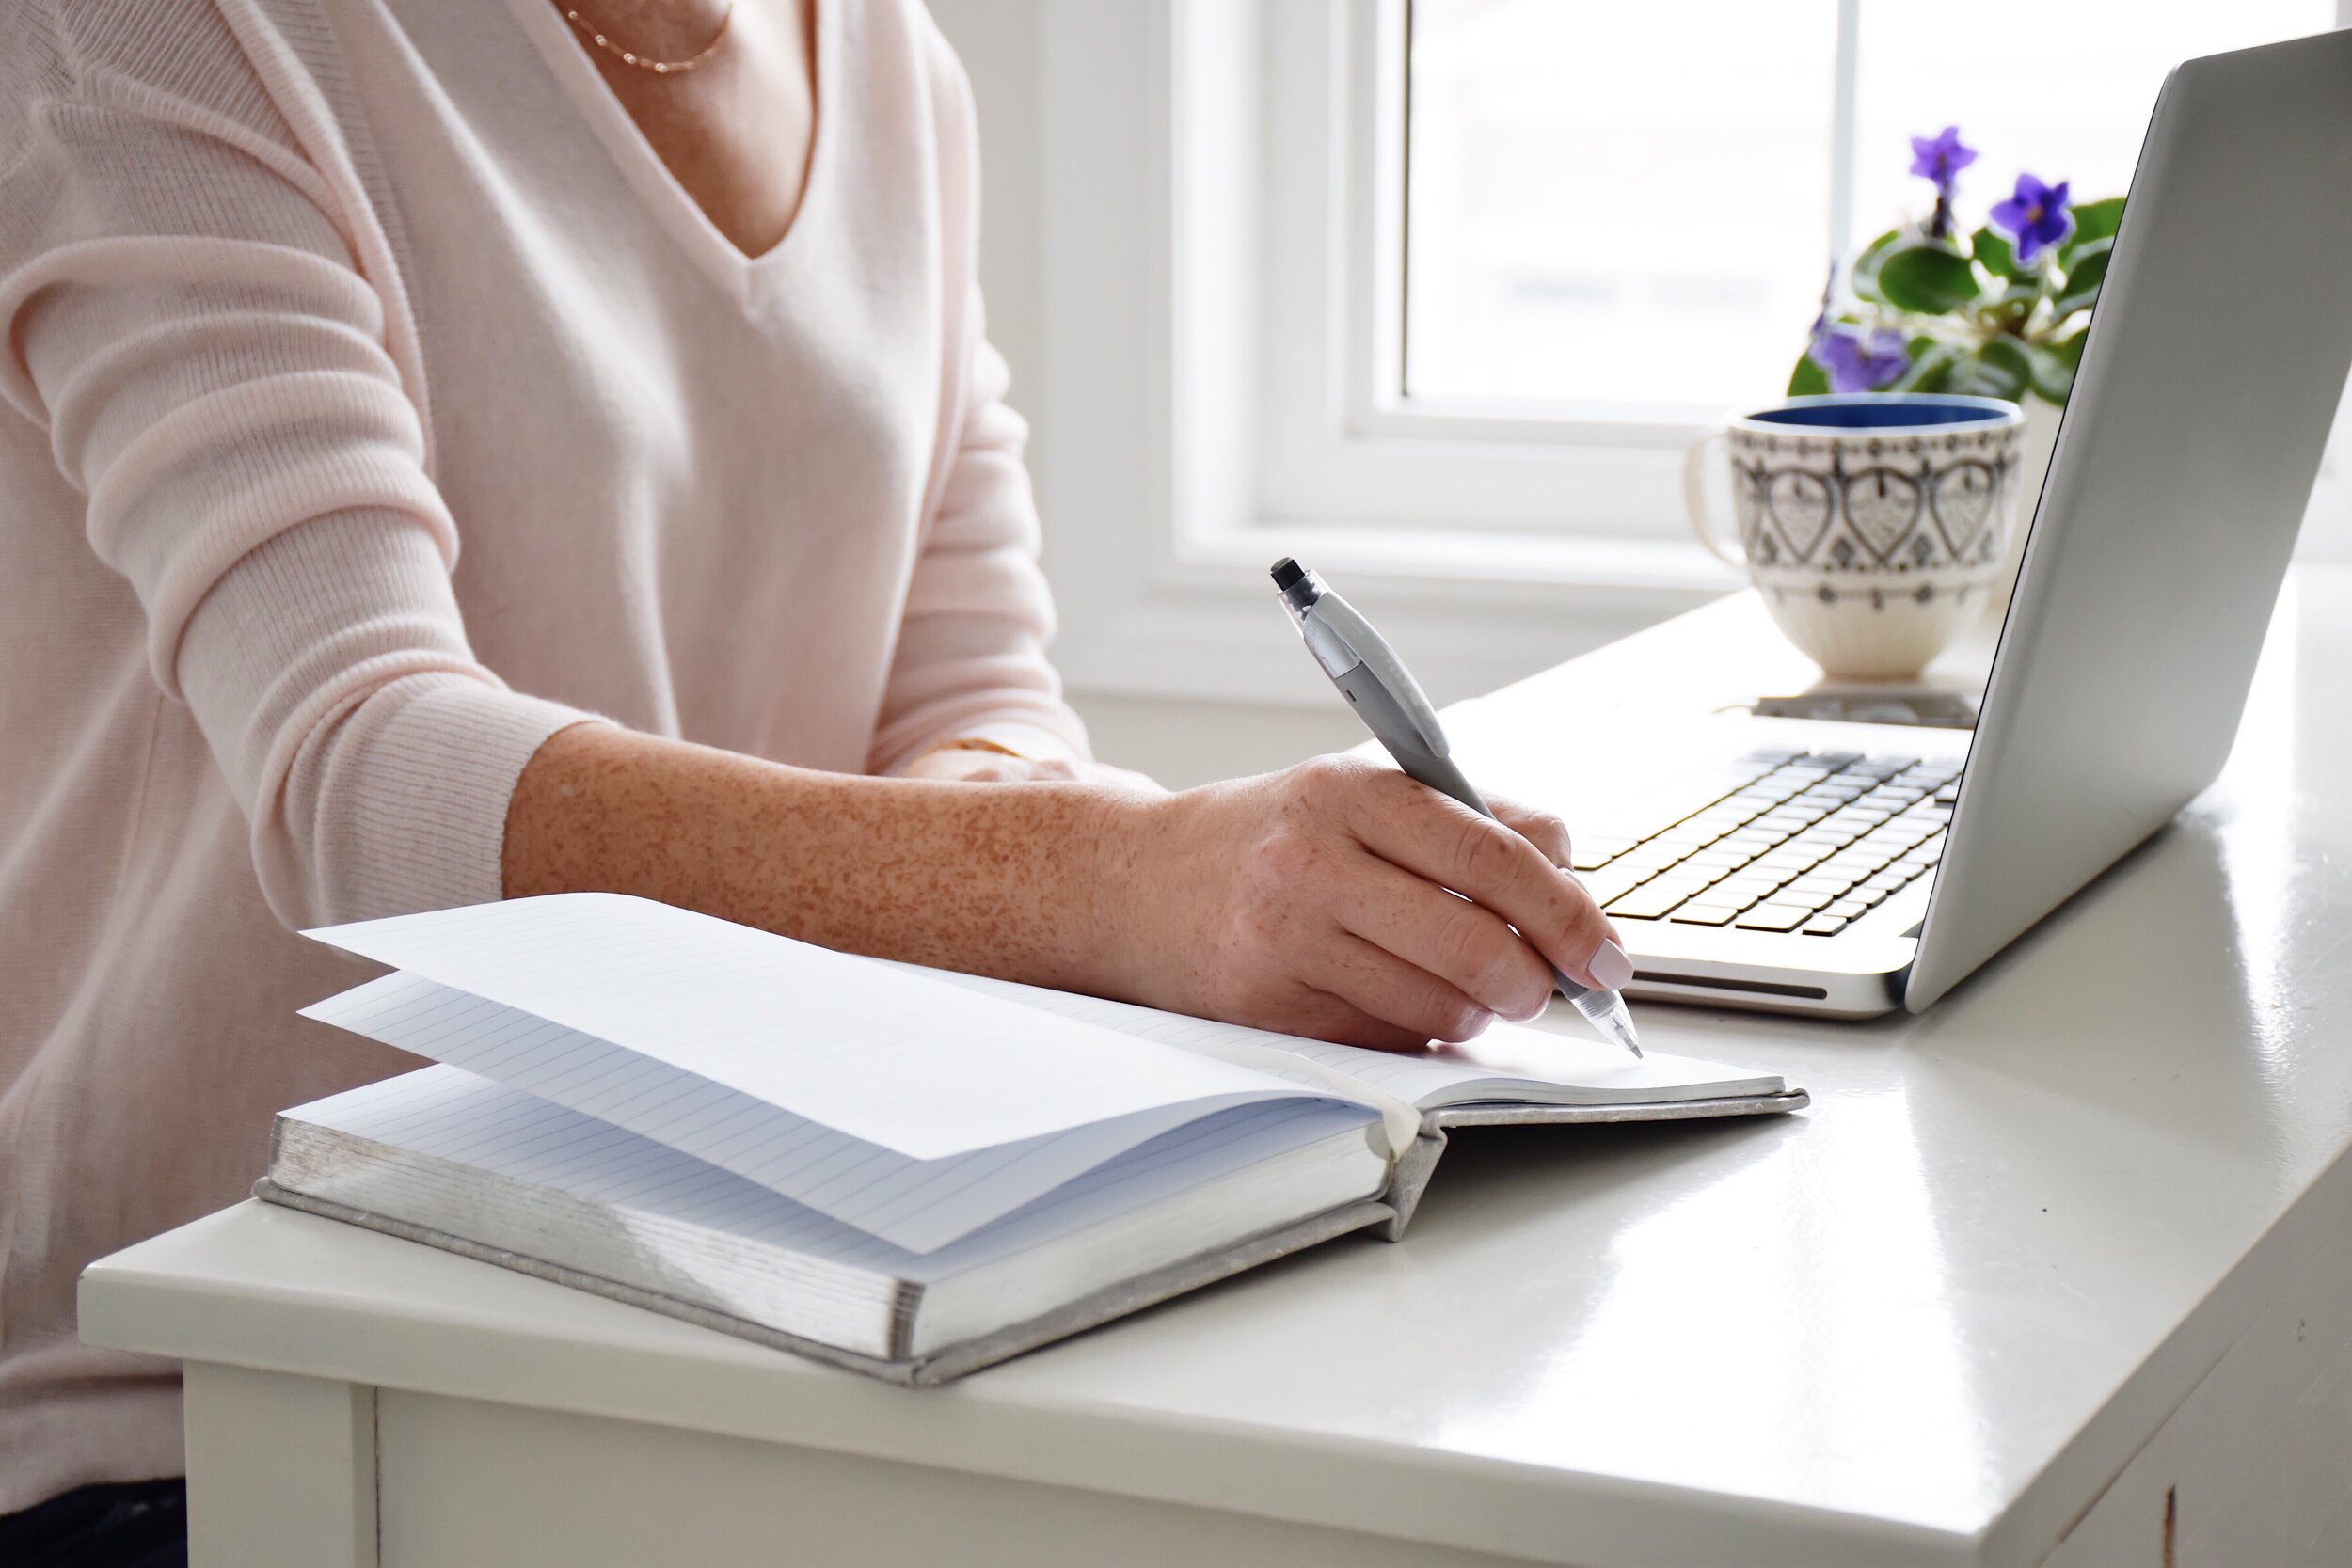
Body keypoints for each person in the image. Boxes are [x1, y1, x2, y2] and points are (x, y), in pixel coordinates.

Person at [0, 0, 1629, 1554]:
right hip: (195, 1404)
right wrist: (1120, 881)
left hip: (689, 1322)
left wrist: (1157, 871)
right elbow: (363, 775)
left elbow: (973, 686)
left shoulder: (892, 61)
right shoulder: (144, 35)